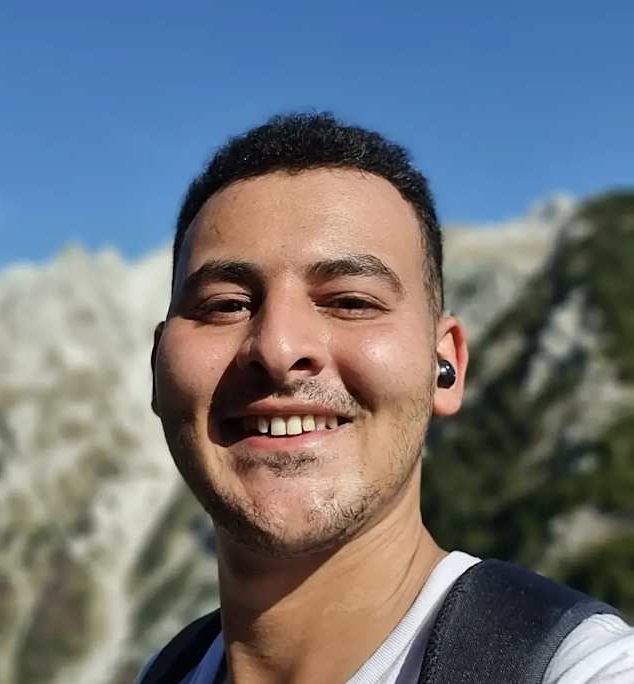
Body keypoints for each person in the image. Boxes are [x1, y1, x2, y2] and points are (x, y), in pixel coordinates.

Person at [140, 113, 634, 683]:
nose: (277, 347)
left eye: (351, 301)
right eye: (224, 305)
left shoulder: (582, 667)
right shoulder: (169, 670)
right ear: (156, 369)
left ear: (445, 366)